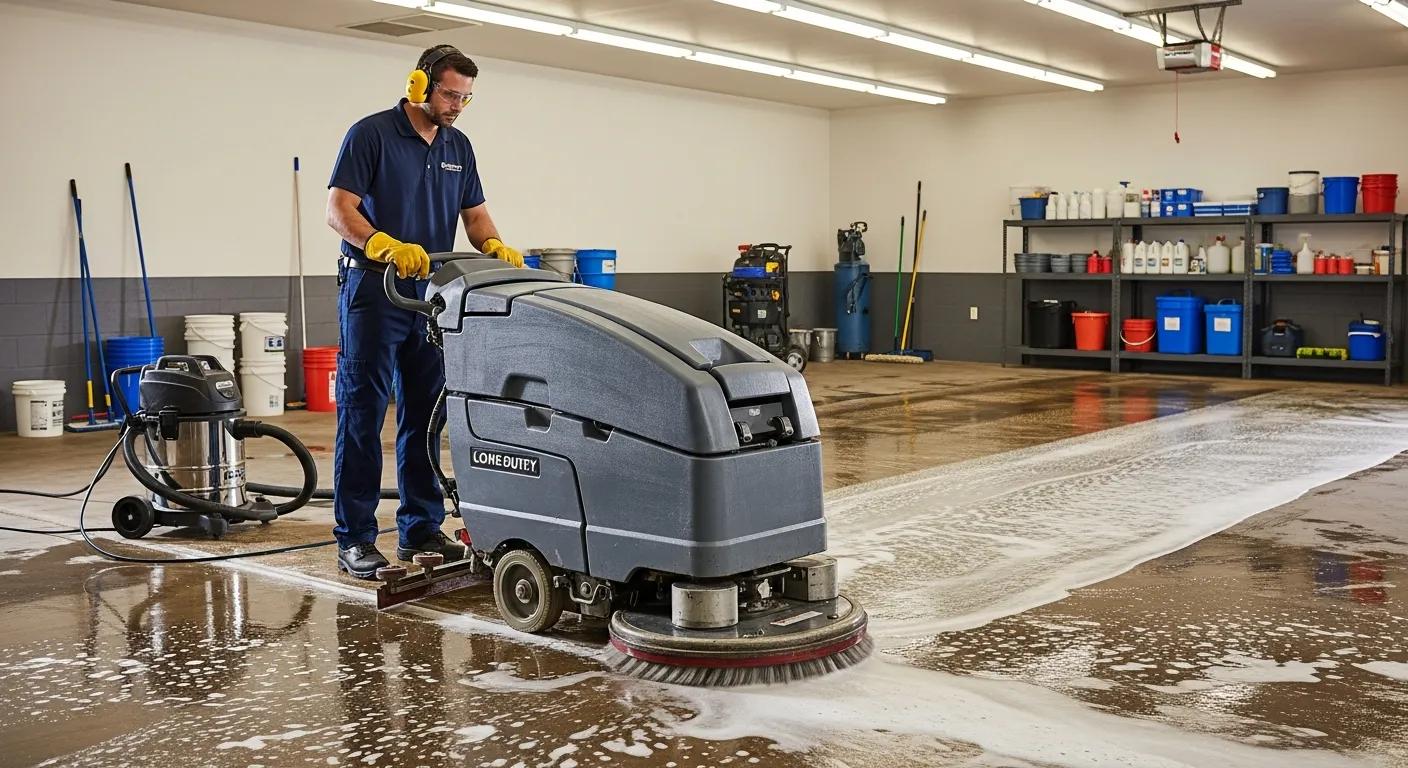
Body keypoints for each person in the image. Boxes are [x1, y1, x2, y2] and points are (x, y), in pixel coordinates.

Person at [325, 44, 523, 579]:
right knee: (363, 413)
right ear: (420, 84)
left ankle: (419, 529)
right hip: (374, 290)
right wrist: (382, 244)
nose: (457, 105)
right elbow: (339, 210)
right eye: (450, 94)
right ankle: (356, 537)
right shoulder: (371, 135)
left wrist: (496, 247)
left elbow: (476, 216)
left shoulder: (459, 145)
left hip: (431, 296)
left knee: (426, 415)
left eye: (466, 98)